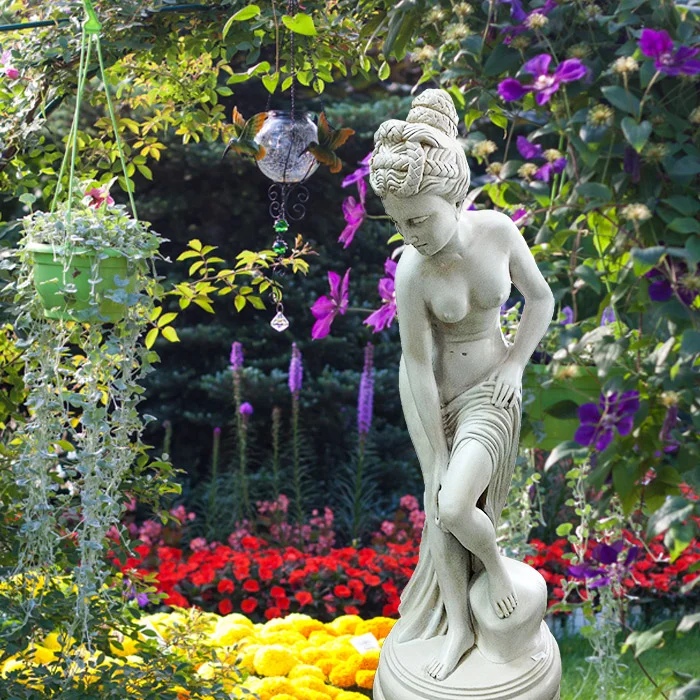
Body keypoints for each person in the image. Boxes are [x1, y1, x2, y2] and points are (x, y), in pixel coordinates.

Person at [369, 89, 554, 682]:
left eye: (419, 218)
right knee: (439, 503)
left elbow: (541, 299)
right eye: (400, 223)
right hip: (431, 394)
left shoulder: (498, 232)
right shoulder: (413, 272)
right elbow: (418, 365)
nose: (411, 233)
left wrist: (515, 366)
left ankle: (494, 571)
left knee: (455, 505)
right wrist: (436, 454)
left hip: (491, 390)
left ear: (454, 197)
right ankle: (457, 628)